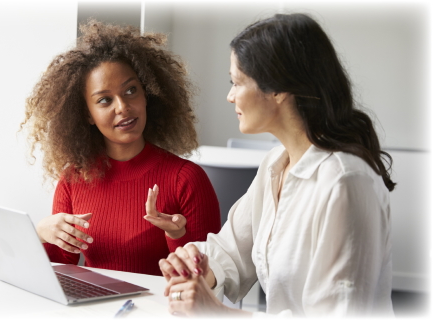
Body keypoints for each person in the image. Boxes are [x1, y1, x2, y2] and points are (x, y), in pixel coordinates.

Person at [159, 13, 396, 317]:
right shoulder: (275, 164)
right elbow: (231, 250)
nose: (230, 96)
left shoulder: (345, 182)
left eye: (237, 82)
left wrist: (218, 312)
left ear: (279, 89)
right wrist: (196, 264)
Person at [21, 21, 221, 276]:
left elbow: (206, 278)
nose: (123, 107)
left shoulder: (187, 179)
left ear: (146, 95)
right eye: (105, 100)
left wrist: (176, 234)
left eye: (130, 90)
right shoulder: (72, 180)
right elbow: (60, 268)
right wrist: (41, 234)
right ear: (87, 114)